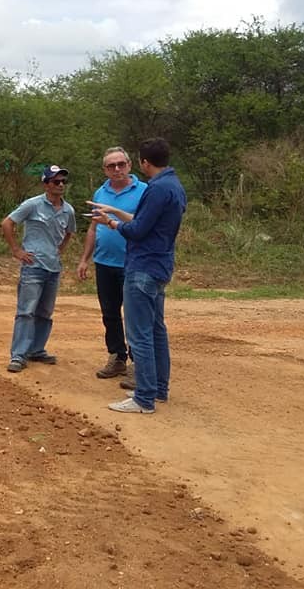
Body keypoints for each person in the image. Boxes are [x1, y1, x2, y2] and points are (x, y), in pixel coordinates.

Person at [90, 138, 186, 414]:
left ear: (142, 163)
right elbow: (148, 223)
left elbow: (138, 231)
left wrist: (110, 223)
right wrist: (115, 211)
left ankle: (143, 398)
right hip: (160, 265)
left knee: (140, 335)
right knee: (156, 330)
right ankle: (159, 390)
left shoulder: (155, 189)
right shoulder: (174, 186)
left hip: (143, 267)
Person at [77, 147, 147, 381]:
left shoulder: (144, 191)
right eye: (111, 166)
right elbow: (94, 227)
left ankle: (139, 363)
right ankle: (117, 357)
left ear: (129, 164)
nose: (117, 169)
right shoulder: (100, 193)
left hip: (133, 263)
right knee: (110, 313)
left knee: (136, 315)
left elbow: (146, 224)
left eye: (121, 164)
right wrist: (85, 259)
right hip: (104, 263)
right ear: (104, 170)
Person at [1, 164, 76, 373]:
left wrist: (59, 250)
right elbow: (7, 223)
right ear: (46, 184)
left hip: (53, 268)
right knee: (26, 311)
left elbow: (70, 232)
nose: (60, 185)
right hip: (33, 267)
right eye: (55, 181)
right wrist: (16, 250)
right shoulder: (32, 205)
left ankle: (36, 349)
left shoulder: (68, 210)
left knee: (45, 312)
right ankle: (18, 355)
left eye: (63, 181)